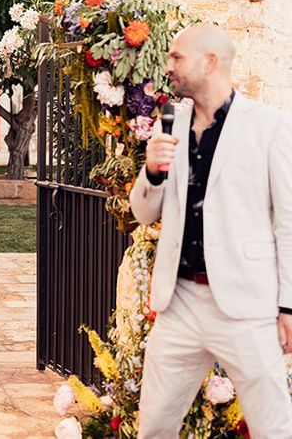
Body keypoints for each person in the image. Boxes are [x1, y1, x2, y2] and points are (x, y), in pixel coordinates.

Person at [129, 23, 292, 438]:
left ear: (210, 62)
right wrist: (151, 171)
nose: (168, 67)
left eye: (176, 57)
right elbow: (144, 213)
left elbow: (288, 222)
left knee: (273, 427)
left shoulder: (269, 127)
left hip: (246, 306)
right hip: (179, 302)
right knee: (154, 426)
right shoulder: (170, 126)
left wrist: (288, 305)